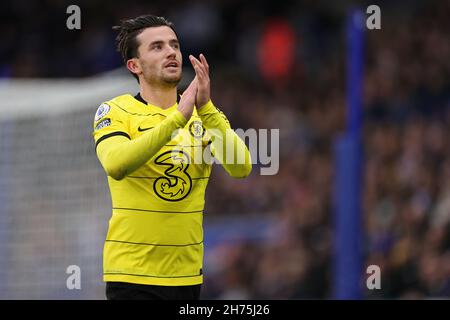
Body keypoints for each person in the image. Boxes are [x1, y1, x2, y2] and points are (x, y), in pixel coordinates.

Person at [92, 14, 252, 300]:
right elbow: (116, 164)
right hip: (132, 274)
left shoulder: (206, 115)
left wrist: (207, 109)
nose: (170, 52)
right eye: (157, 47)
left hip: (187, 275)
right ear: (134, 65)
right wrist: (177, 119)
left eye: (174, 45)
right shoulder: (116, 111)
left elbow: (241, 168)